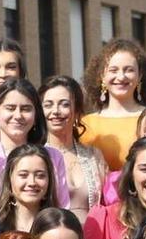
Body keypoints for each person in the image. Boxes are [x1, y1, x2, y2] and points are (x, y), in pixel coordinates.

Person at [0, 79, 69, 213]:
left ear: (36, 114)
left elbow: (62, 210)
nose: (18, 115)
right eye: (10, 108)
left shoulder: (53, 156)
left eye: (26, 109)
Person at [78, 37, 146, 170]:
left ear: (140, 75)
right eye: (113, 70)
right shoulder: (84, 125)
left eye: (129, 70)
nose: (121, 77)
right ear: (102, 76)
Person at [39, 75, 106, 221]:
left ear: (76, 111)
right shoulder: (37, 157)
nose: (55, 111)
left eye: (64, 104)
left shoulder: (94, 155)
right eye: (48, 105)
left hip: (94, 236)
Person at [0, 145, 61, 237]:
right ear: (9, 180)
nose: (32, 182)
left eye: (40, 176)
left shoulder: (60, 226)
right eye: (23, 175)